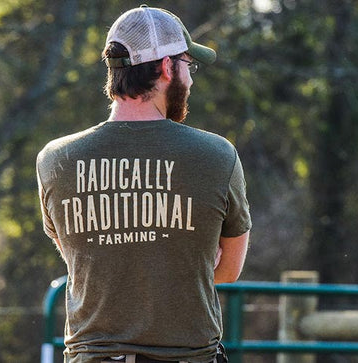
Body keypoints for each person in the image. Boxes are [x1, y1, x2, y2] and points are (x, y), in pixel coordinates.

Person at [36, 5, 251, 363]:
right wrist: (189, 258)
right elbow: (227, 270)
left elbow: (78, 259)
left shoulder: (56, 160)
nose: (191, 80)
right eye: (188, 65)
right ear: (167, 68)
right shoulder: (217, 155)